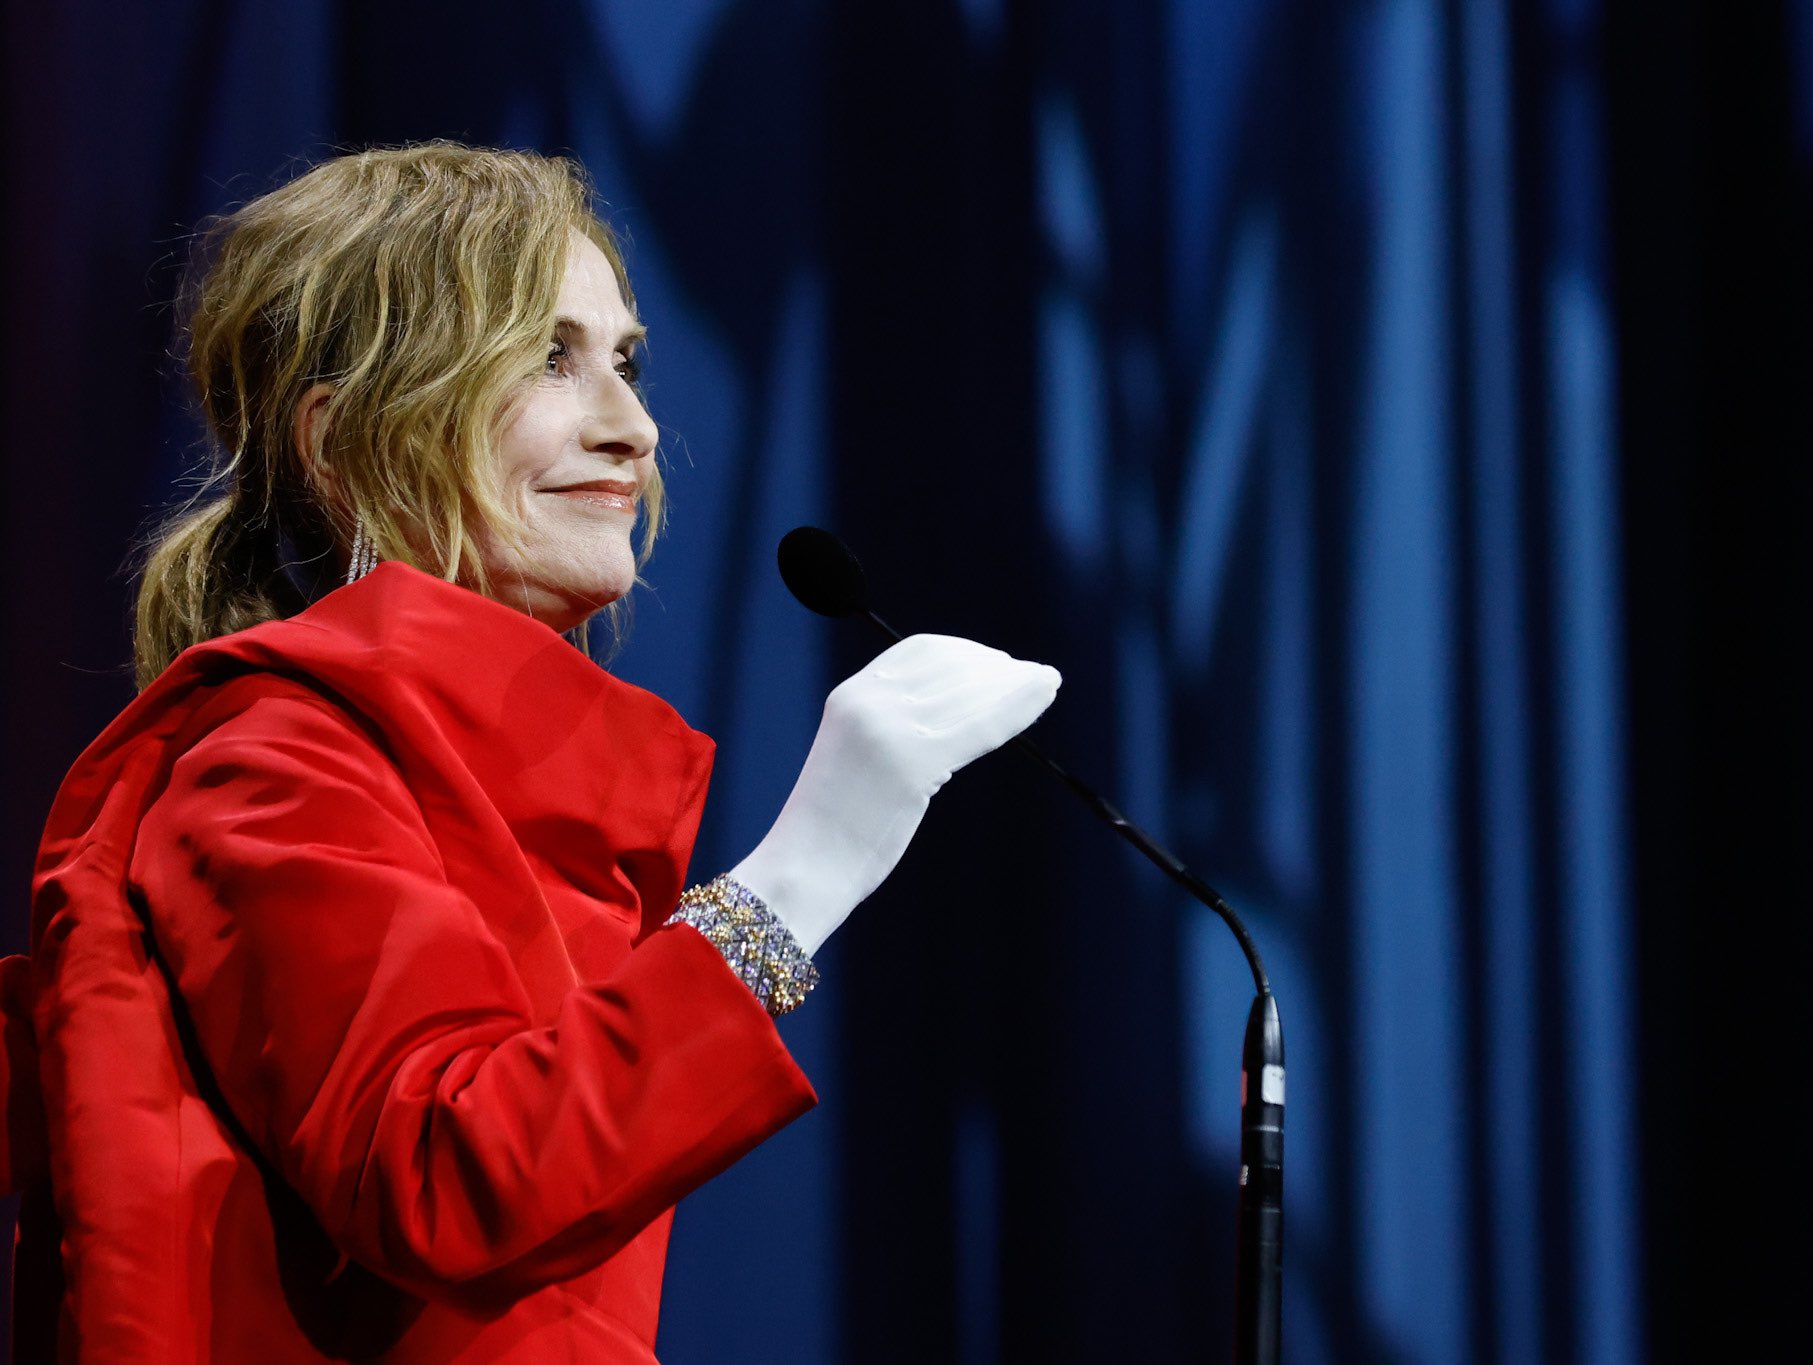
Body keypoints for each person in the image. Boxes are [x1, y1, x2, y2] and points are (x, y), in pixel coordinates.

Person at [0, 142, 1058, 1362]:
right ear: (341, 445)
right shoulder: (278, 756)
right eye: (549, 358)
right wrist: (796, 879)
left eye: (625, 361)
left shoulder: (497, 783)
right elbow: (445, 1175)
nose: (634, 429)